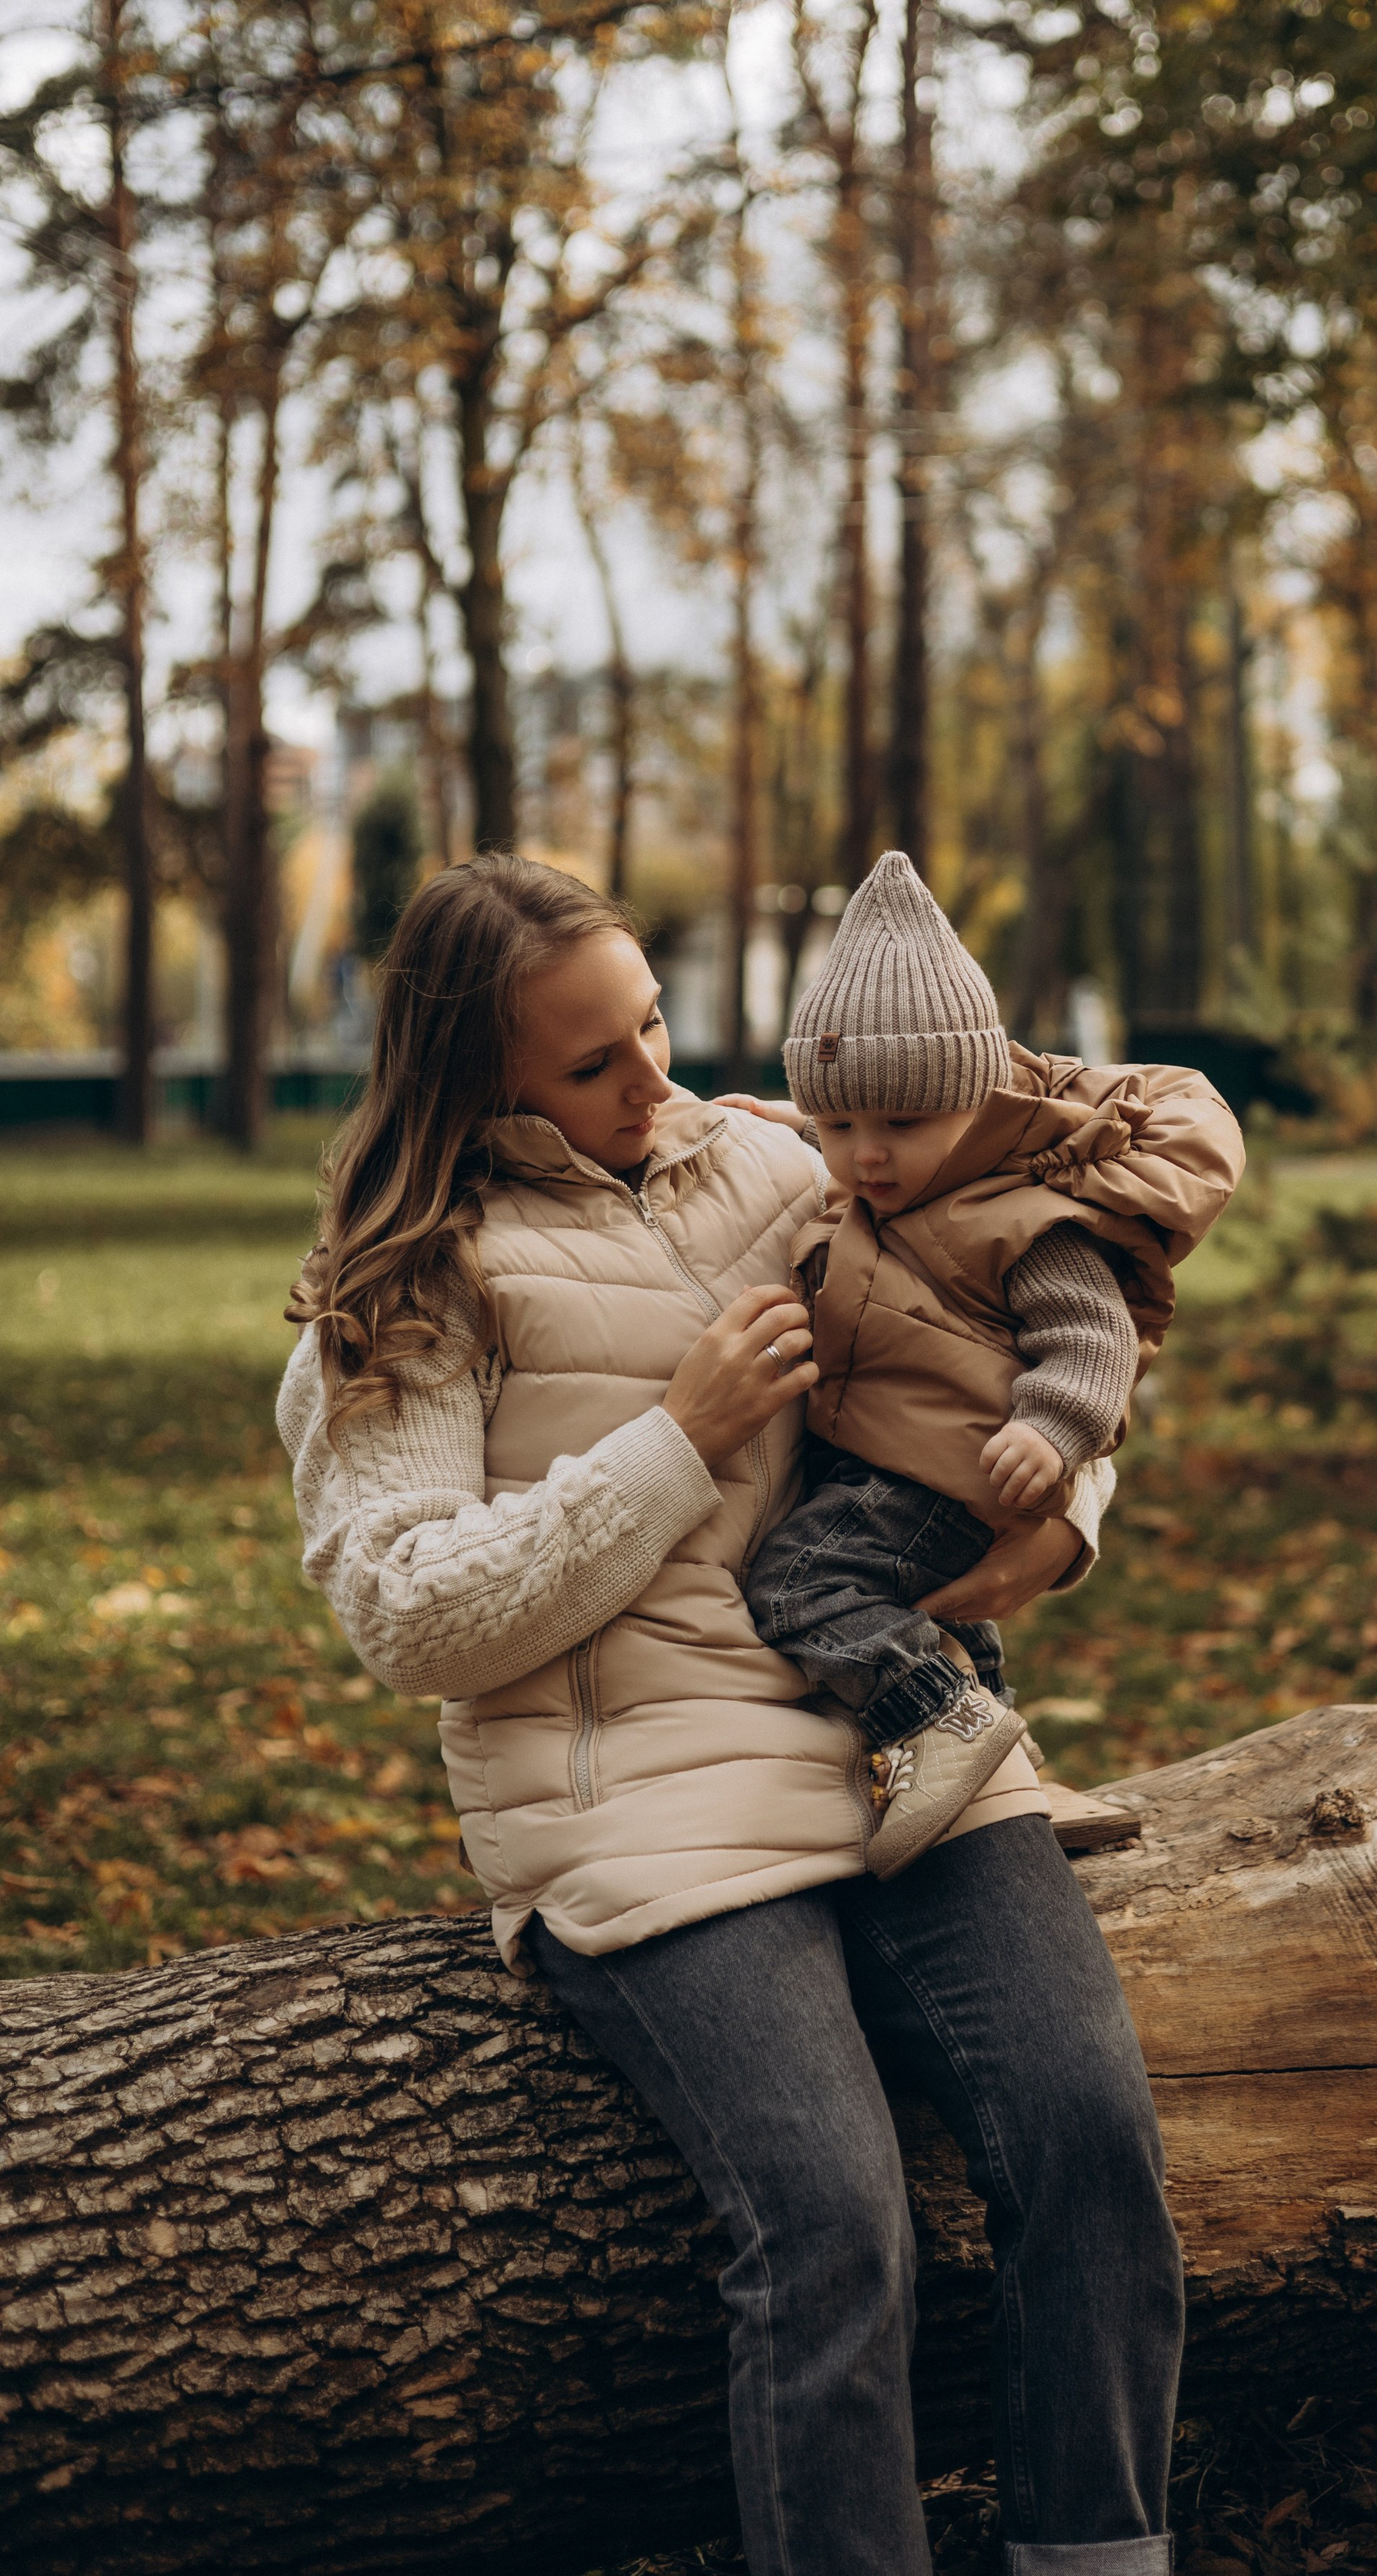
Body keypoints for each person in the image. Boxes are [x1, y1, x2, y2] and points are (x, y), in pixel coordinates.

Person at [279, 852, 1186, 2576]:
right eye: (593, 1065)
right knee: (835, 2227)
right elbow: (410, 1619)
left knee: (1089, 2140)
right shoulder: (405, 1287)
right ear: (473, 1079)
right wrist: (673, 1440)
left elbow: (1025, 1326)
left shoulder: (781, 1162)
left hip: (908, 1750)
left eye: (652, 1026)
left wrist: (1062, 1517)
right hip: (642, 1816)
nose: (654, 1082)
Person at [739, 852, 1244, 1877]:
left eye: (901, 1126)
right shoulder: (909, 1178)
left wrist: (1051, 1426)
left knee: (797, 1579)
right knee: (960, 1624)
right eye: (838, 1127)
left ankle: (937, 1725)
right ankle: (1012, 1772)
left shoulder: (1022, 1215)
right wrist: (781, 1121)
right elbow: (865, 1115)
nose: (865, 1157)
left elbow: (1093, 1337)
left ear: (971, 1102)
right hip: (908, 1464)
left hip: (953, 1474)